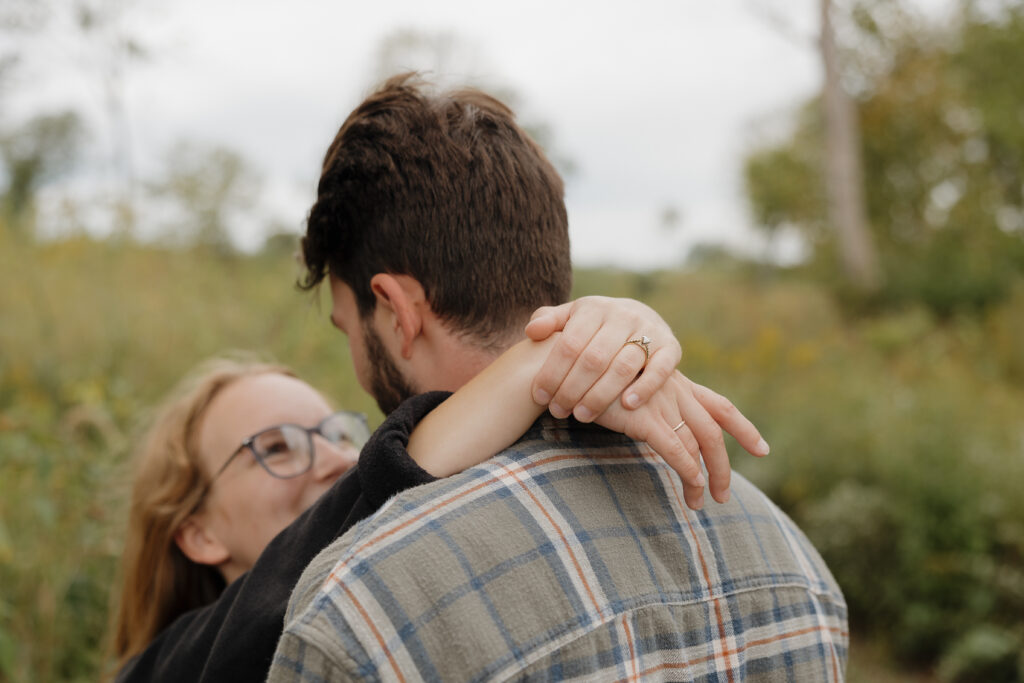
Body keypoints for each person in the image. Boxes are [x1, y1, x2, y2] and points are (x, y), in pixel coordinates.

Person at [268, 74, 849, 682]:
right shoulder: (798, 562)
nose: (357, 365)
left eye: (348, 331)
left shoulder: (363, 613)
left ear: (396, 310)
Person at [111, 298, 765, 681]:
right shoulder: (174, 663)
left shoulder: (409, 607)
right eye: (275, 448)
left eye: (338, 431)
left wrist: (608, 340)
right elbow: (306, 561)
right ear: (197, 532)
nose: (333, 460)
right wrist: (547, 359)